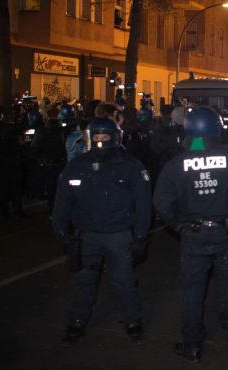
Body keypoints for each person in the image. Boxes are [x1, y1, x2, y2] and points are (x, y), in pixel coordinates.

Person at [153, 107, 228, 361]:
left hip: (193, 237)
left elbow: (161, 202)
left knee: (192, 291)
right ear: (217, 128)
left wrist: (178, 225)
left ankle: (192, 345)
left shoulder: (176, 163)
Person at [52, 118, 151, 343]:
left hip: (119, 235)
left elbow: (143, 203)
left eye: (104, 137)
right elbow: (63, 200)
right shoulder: (77, 165)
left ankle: (132, 320)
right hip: (86, 235)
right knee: (83, 282)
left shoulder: (130, 165)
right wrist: (61, 231)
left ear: (115, 138)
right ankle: (77, 321)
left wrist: (140, 236)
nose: (100, 141)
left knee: (124, 281)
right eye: (95, 137)